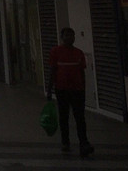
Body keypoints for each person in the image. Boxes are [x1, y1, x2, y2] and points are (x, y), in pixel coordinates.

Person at [48, 27, 94, 157]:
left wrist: (84, 89)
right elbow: (53, 71)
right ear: (62, 37)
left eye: (72, 35)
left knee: (80, 117)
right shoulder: (55, 51)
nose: (70, 38)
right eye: (67, 35)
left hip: (77, 90)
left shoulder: (78, 53)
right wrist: (50, 89)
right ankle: (65, 141)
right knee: (64, 116)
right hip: (62, 89)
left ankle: (84, 142)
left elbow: (82, 72)